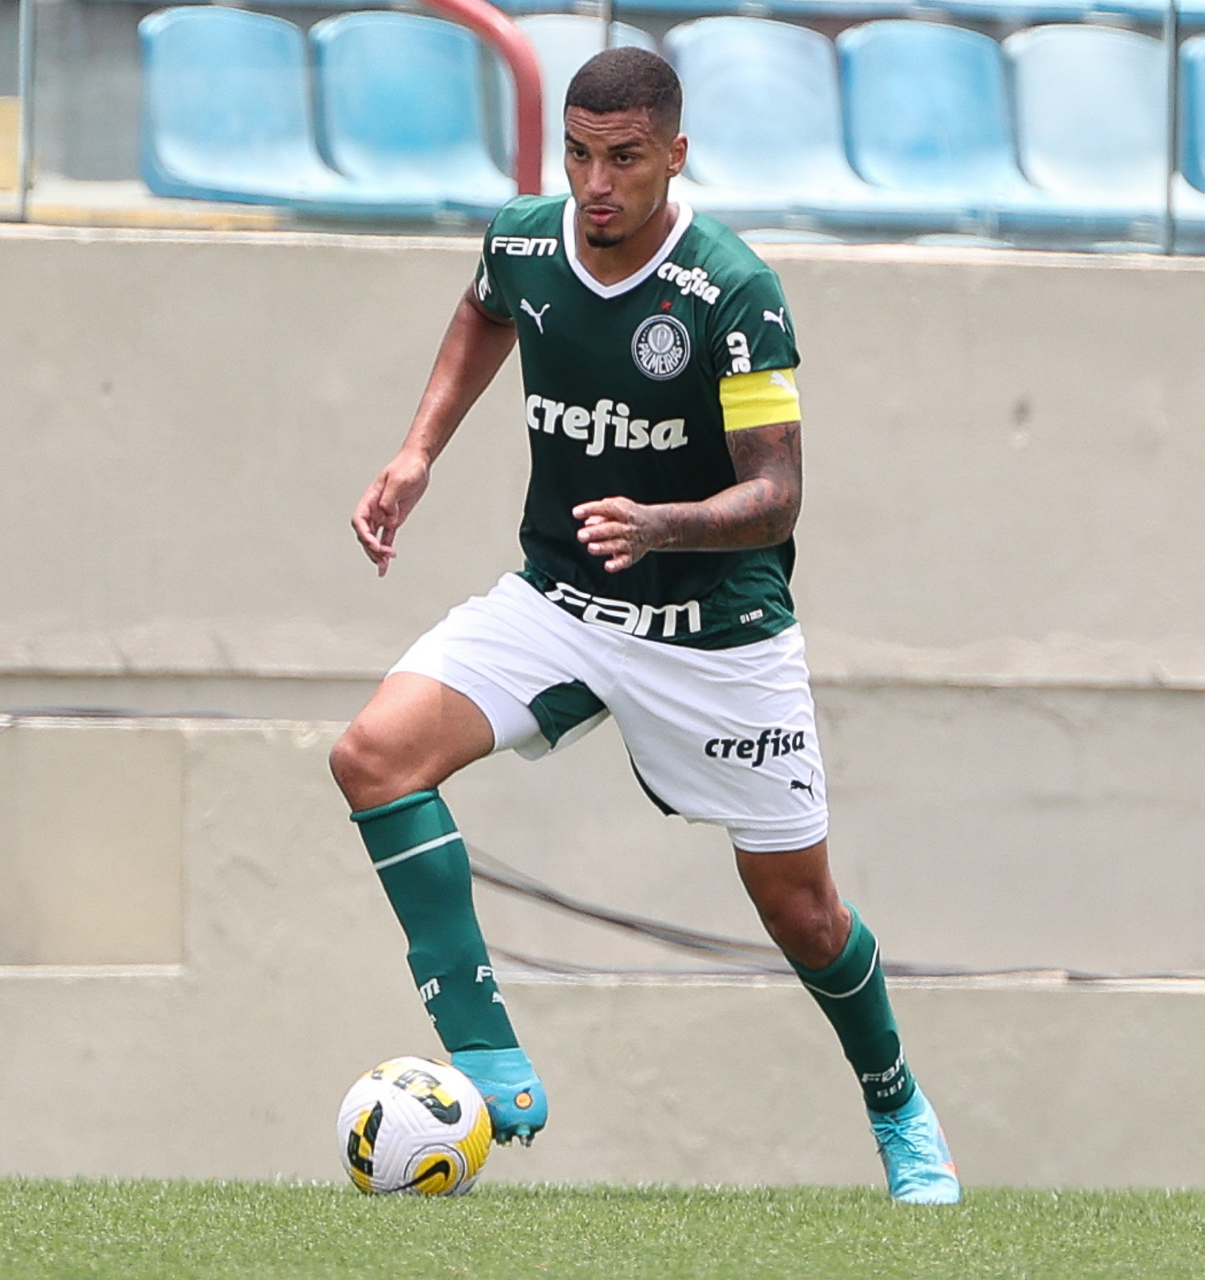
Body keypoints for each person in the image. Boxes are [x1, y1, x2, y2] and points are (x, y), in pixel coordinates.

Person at [329, 47, 960, 1204]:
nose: (594, 182)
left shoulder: (732, 291)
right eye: (576, 153)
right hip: (560, 599)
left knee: (802, 913)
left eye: (622, 157)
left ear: (674, 153)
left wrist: (663, 522)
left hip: (714, 631)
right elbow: (484, 309)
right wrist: (418, 451)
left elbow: (777, 493)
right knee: (371, 755)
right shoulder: (526, 241)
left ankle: (895, 1104)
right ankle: (482, 1044)